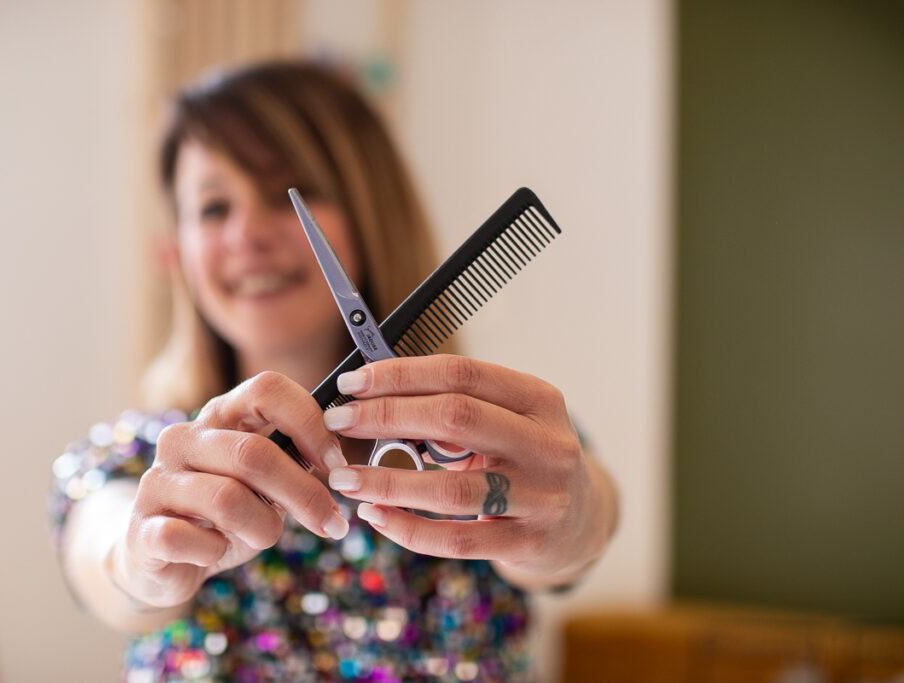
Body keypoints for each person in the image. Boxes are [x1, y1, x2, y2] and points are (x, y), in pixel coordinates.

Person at [49, 60, 619, 682]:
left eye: (289, 196)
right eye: (213, 208)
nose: (247, 234)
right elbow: (105, 549)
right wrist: (142, 561)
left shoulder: (486, 441)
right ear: (175, 252)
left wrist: (575, 522)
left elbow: (583, 513)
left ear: (370, 213)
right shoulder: (140, 461)